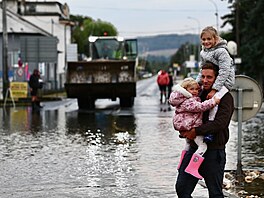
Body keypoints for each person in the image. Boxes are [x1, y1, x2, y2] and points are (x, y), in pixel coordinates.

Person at [175, 62, 234, 198]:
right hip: (194, 149)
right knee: (182, 189)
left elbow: (220, 123)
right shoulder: (197, 93)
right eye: (203, 77)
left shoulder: (225, 97)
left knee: (215, 193)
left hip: (214, 151)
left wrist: (196, 131)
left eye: (209, 77)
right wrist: (183, 128)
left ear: (217, 78)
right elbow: (184, 111)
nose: (205, 80)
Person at [169, 77, 222, 179]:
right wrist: (213, 101)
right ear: (185, 90)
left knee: (188, 145)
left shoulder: (182, 99)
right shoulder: (189, 101)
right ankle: (193, 167)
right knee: (203, 147)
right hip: (191, 127)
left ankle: (182, 163)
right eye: (192, 89)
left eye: (197, 89)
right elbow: (200, 107)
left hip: (186, 126)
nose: (195, 92)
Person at [197, 26, 235, 100]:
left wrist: (214, 89)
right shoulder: (203, 53)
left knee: (215, 100)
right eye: (203, 39)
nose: (206, 42)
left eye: (209, 39)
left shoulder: (221, 51)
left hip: (225, 82)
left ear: (215, 39)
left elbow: (224, 71)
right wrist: (197, 84)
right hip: (212, 80)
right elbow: (202, 70)